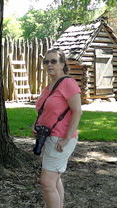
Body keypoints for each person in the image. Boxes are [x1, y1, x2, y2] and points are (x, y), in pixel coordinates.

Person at [33, 48, 82, 208]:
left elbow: (77, 111)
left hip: (60, 139)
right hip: (47, 137)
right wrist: (36, 123)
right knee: (54, 179)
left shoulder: (68, 83)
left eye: (53, 61)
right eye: (46, 62)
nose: (49, 64)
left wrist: (66, 138)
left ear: (62, 64)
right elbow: (45, 110)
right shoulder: (50, 86)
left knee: (46, 182)